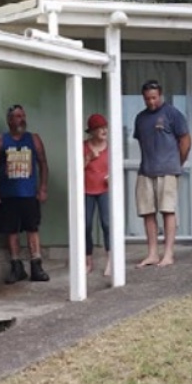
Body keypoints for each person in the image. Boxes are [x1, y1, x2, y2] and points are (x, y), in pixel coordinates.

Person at [0, 104, 50, 284]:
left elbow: (43, 163)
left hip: (29, 193)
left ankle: (36, 265)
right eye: (17, 116)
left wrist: (43, 187)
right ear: (9, 120)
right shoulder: (1, 141)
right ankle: (16, 265)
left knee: (32, 228)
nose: (21, 119)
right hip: (7, 194)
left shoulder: (34, 139)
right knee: (11, 231)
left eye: (22, 116)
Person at [132, 80, 190, 267]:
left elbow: (185, 140)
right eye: (147, 98)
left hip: (168, 170)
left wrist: (177, 163)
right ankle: (152, 254)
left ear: (161, 95)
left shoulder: (172, 114)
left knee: (167, 211)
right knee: (147, 212)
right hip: (146, 170)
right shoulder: (140, 118)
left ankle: (168, 254)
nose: (151, 102)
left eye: (154, 98)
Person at [83, 113, 113, 277]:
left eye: (104, 127)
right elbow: (76, 169)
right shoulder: (84, 146)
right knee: (85, 225)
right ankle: (88, 260)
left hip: (105, 190)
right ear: (92, 131)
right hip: (86, 191)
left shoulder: (110, 147)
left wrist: (111, 178)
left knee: (107, 224)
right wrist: (88, 158)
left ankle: (110, 260)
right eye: (99, 128)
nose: (103, 130)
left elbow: (115, 169)